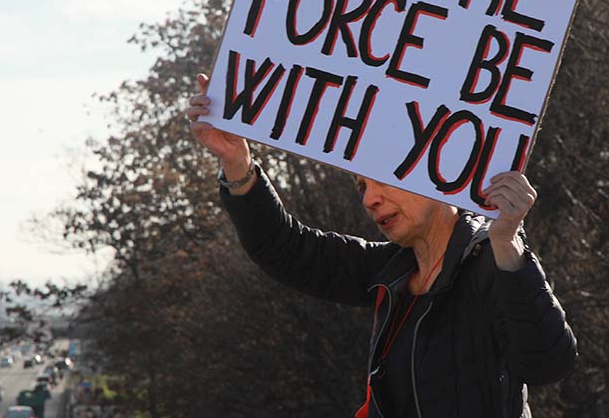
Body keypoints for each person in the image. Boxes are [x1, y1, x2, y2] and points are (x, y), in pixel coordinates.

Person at [188, 72, 576, 417]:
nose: (369, 199)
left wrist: (508, 244)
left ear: (435, 171)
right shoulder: (389, 269)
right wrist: (236, 163)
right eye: (361, 187)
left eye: (382, 181)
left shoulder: (495, 261)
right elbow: (284, 248)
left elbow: (548, 363)